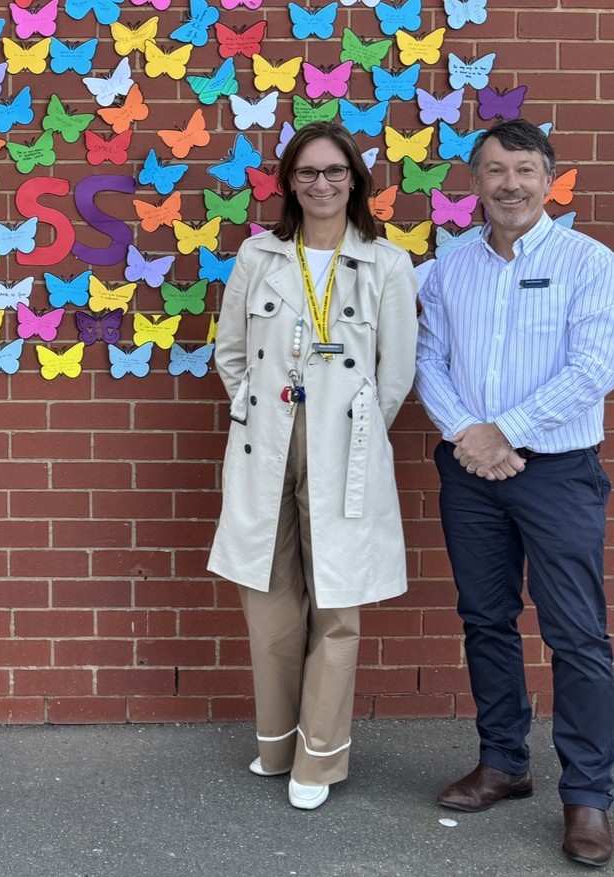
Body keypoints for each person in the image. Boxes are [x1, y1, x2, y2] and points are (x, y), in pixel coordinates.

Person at [415, 118, 614, 867]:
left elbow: (594, 368)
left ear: (549, 179)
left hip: (557, 472)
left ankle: (588, 795)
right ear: (475, 182)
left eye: (525, 170)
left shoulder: (588, 263)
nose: (510, 184)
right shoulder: (450, 265)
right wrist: (468, 433)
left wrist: (506, 431)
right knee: (485, 618)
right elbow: (428, 357)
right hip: (470, 473)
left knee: (577, 634)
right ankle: (503, 761)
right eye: (496, 170)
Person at [208, 121, 418, 811]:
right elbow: (230, 351)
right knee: (268, 598)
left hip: (344, 448)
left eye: (334, 171)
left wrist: (352, 427)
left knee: (337, 602)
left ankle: (319, 757)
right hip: (265, 442)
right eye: (307, 172)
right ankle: (277, 743)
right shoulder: (260, 255)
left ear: (354, 179)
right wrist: (256, 407)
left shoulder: (385, 263)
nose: (321, 183)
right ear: (289, 183)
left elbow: (395, 374)